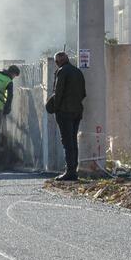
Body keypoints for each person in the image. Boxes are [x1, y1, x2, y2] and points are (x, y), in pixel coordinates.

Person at [49, 51, 87, 181]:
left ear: (58, 62)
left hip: (64, 112)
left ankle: (70, 171)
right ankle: (73, 170)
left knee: (67, 142)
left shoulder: (62, 71)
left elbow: (58, 93)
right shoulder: (77, 71)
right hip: (77, 111)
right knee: (73, 141)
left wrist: (55, 108)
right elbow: (83, 93)